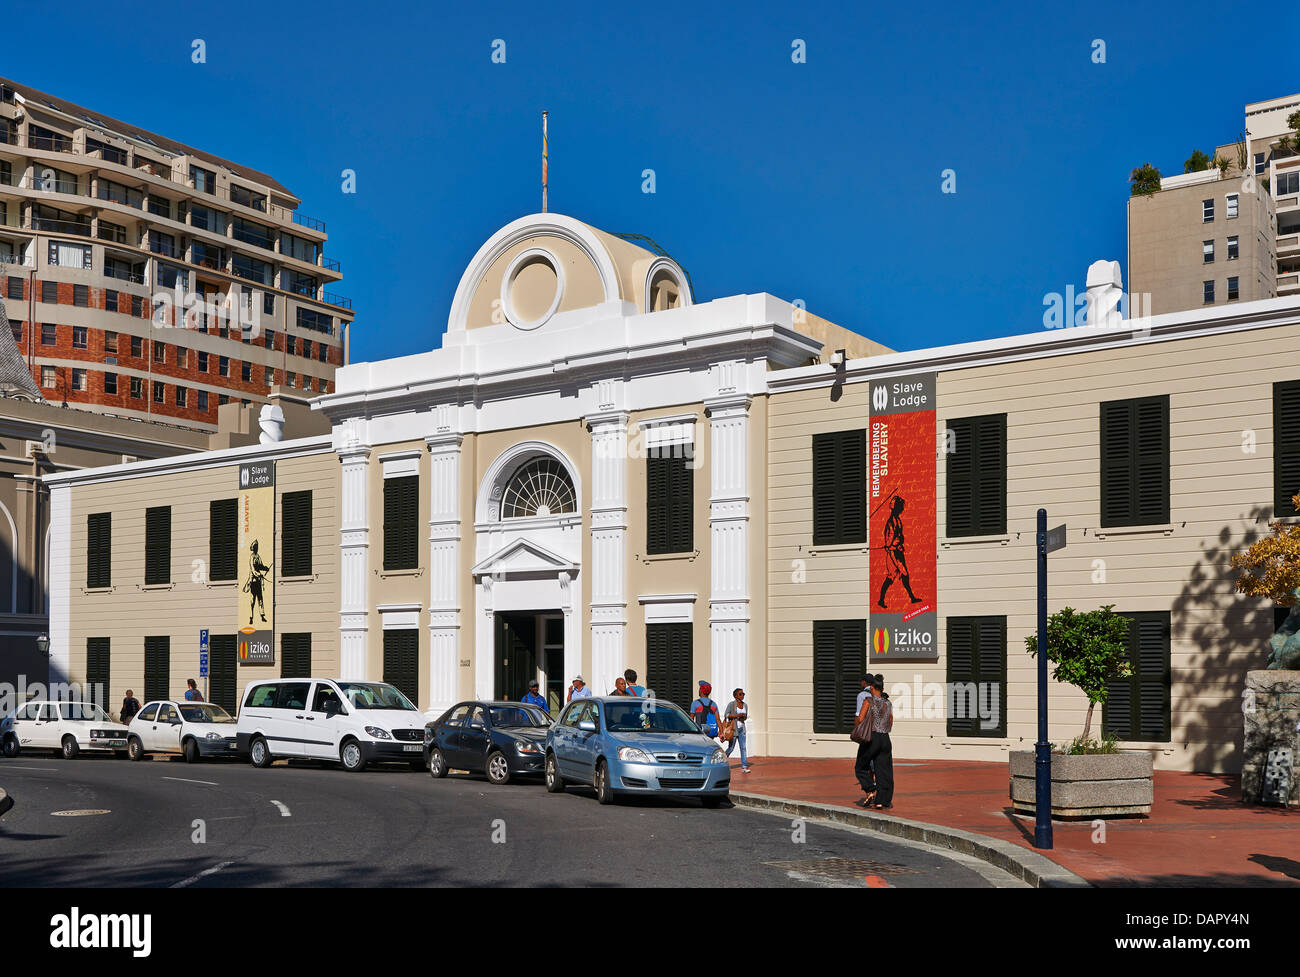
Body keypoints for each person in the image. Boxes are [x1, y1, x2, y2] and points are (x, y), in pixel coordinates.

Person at [865, 675, 894, 809]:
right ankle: (885, 799)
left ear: (872, 687)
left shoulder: (870, 702)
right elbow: (891, 720)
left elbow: (862, 718)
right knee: (886, 769)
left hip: (875, 736)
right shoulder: (888, 703)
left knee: (876, 768)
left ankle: (876, 797)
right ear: (882, 688)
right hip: (885, 737)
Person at [853, 677, 878, 806]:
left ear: (865, 683)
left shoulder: (862, 695)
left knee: (861, 766)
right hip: (879, 735)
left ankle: (870, 791)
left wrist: (857, 731)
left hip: (867, 735)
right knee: (875, 766)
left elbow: (859, 716)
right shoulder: (880, 696)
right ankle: (874, 792)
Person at [724, 688, 751, 772]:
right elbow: (726, 715)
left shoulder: (745, 705)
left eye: (743, 694)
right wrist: (737, 715)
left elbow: (745, 717)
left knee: (743, 748)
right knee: (731, 748)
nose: (742, 695)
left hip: (742, 729)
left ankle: (744, 766)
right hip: (733, 729)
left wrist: (743, 717)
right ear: (735, 696)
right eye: (740, 694)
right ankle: (721, 761)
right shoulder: (731, 704)